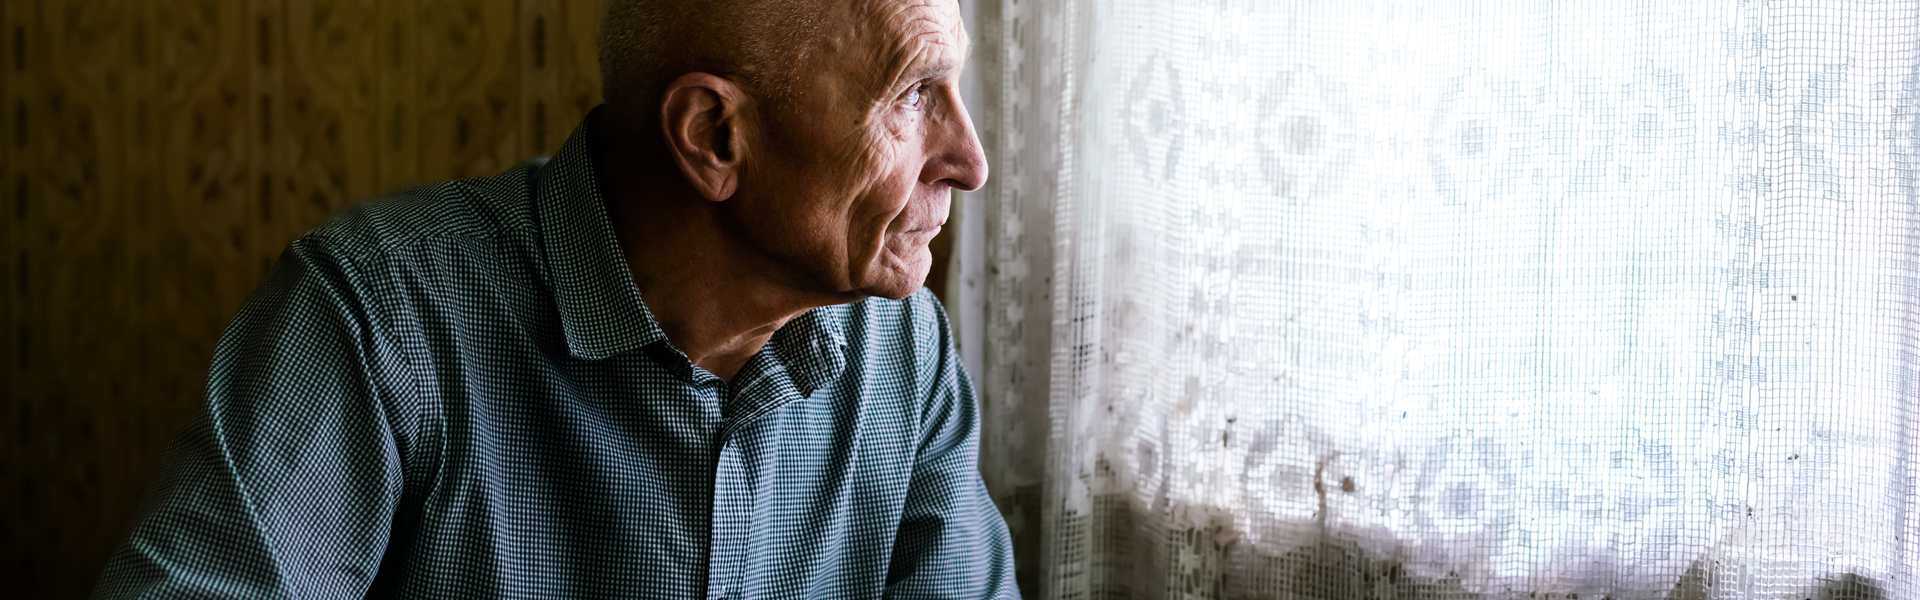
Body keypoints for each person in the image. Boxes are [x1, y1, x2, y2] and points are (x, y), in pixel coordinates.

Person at [92, 0, 1016, 597]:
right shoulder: (378, 318)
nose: (970, 161)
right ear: (713, 137)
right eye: (912, 93)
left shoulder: (905, 353)